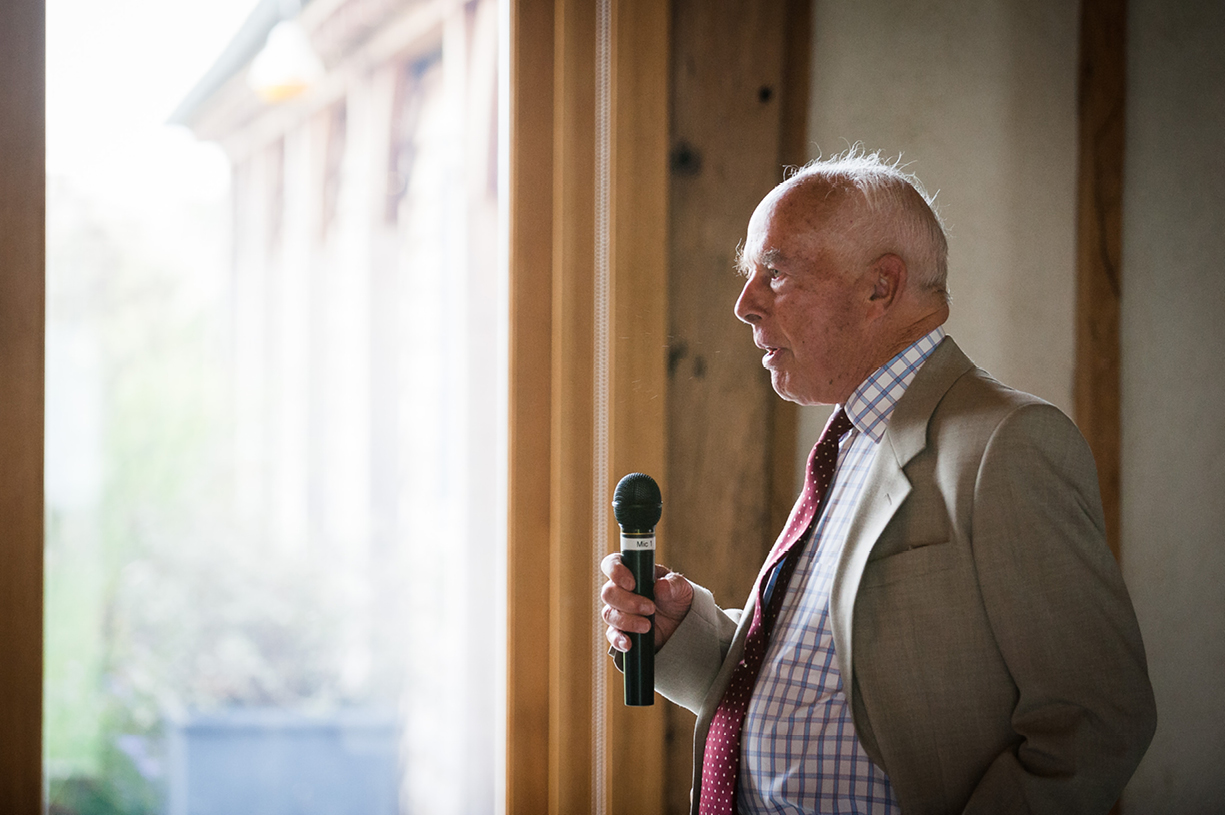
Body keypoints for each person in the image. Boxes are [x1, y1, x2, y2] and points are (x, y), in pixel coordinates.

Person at [600, 149, 1156, 815]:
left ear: (879, 287)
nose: (744, 304)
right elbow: (809, 683)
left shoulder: (1007, 443)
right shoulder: (849, 438)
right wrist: (679, 633)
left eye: (774, 273)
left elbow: (1096, 720)